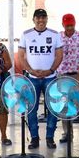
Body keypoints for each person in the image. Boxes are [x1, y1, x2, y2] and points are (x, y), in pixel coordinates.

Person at [18, 8, 63, 150]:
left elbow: (59, 55)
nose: (41, 20)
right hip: (32, 78)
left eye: (43, 17)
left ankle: (50, 137)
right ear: (34, 19)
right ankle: (34, 138)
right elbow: (20, 56)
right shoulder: (26, 35)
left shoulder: (55, 35)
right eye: (38, 18)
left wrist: (50, 70)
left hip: (50, 77)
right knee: (32, 109)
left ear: (47, 19)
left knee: (53, 108)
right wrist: (30, 70)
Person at [57, 13, 79, 144]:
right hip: (62, 75)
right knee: (64, 104)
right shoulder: (57, 37)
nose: (69, 28)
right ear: (63, 25)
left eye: (71, 25)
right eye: (67, 25)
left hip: (78, 75)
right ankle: (67, 133)